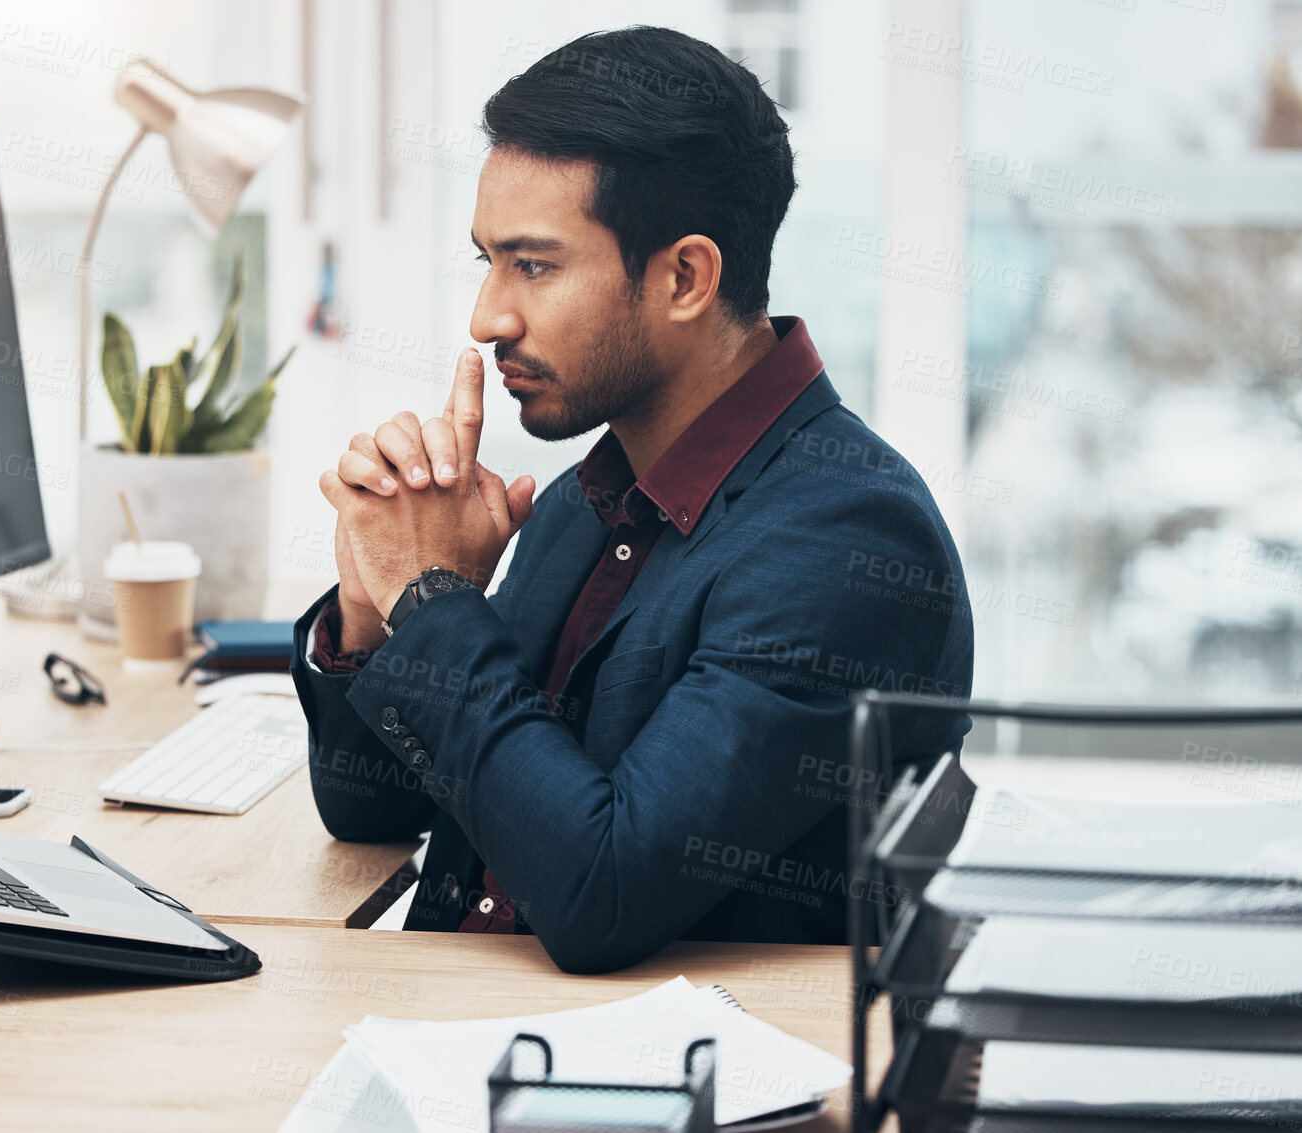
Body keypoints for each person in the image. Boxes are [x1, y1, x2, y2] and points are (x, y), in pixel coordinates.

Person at [289, 26, 973, 974]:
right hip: (457, 1020)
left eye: (533, 265)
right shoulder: (584, 500)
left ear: (685, 277)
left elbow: (599, 891)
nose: (488, 317)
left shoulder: (844, 539)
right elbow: (372, 810)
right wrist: (373, 615)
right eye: (486, 261)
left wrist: (433, 600)